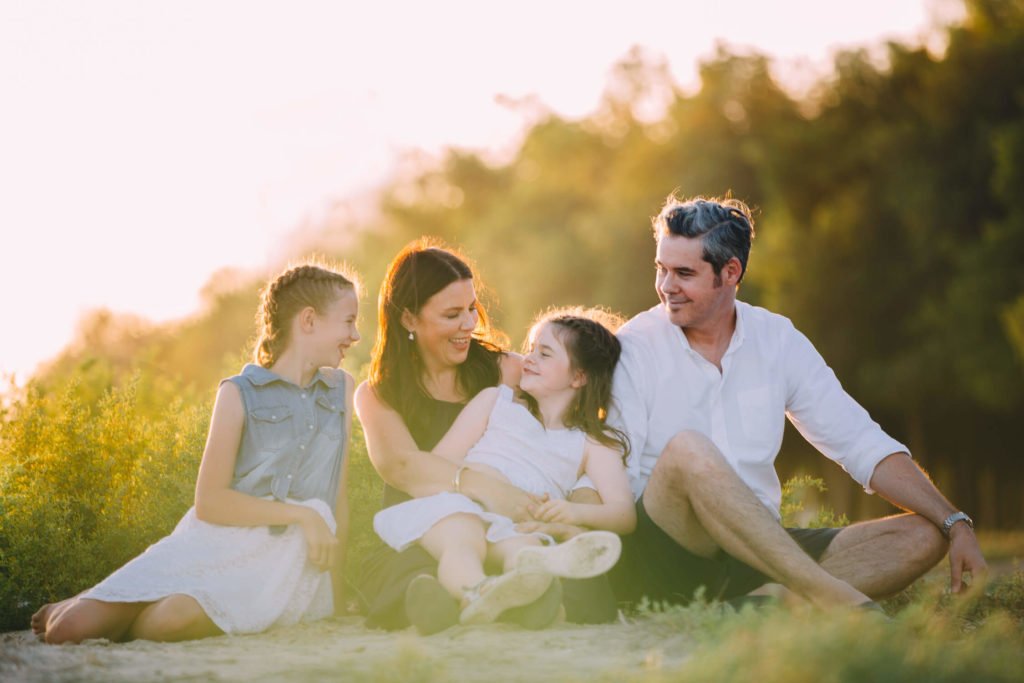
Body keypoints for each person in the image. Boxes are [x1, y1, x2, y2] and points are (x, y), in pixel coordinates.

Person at [603, 195, 988, 610]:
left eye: (683, 273)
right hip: (670, 547)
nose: (665, 287)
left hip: (758, 552)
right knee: (688, 450)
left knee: (923, 535)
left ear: (730, 272)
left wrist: (955, 521)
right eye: (661, 269)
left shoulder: (778, 339)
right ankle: (831, 597)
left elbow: (859, 441)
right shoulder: (634, 346)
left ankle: (765, 604)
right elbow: (617, 473)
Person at [32, 263, 360, 643]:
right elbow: (210, 503)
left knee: (169, 622)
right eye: (348, 321)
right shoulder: (239, 393)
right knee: (66, 631)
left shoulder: (341, 390)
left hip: (281, 565)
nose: (355, 334)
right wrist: (302, 515)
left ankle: (115, 603)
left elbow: (338, 497)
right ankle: (87, 602)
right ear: (309, 321)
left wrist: (335, 590)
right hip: (214, 542)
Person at [355, 239, 618, 634]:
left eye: (471, 310)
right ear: (409, 319)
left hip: (515, 524)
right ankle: (476, 602)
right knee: (421, 573)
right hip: (432, 526)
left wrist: (571, 512)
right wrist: (487, 489)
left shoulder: (505, 371)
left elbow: (575, 430)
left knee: (541, 559)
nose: (468, 325)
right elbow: (403, 468)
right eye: (451, 314)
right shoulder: (379, 394)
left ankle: (515, 598)